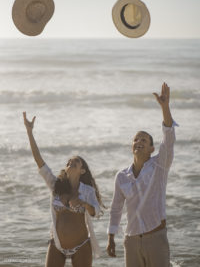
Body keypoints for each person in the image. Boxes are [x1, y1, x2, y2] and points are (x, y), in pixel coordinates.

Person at [107, 82, 177, 267]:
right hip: (130, 240)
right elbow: (116, 208)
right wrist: (111, 237)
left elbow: (169, 138)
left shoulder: (160, 166)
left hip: (156, 237)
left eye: (144, 140)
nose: (138, 141)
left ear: (151, 148)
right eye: (136, 139)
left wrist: (165, 107)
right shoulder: (121, 176)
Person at [23, 112, 104, 267]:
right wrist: (29, 132)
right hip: (57, 245)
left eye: (76, 162)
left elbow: (96, 212)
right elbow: (39, 161)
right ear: (66, 169)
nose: (71, 163)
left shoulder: (87, 190)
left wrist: (83, 203)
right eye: (68, 162)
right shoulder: (55, 186)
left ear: (82, 170)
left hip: (81, 245)